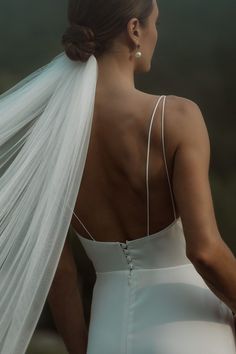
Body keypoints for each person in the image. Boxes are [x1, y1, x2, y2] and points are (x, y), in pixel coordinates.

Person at [0, 0, 235, 353]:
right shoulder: (177, 117)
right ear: (135, 30)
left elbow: (57, 272)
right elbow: (205, 251)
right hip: (188, 329)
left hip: (106, 332)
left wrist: (85, 346)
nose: (157, 33)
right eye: (155, 22)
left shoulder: (48, 139)